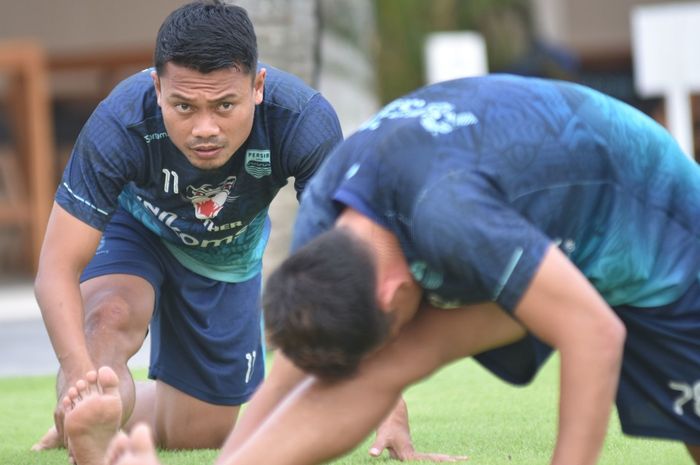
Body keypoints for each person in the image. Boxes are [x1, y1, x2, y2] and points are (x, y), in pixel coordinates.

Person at [104, 73, 700, 465]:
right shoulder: (325, 221)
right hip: (520, 218)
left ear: (391, 292)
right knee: (385, 360)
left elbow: (596, 332)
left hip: (654, 223)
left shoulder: (453, 219)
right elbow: (298, 369)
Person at [30, 1, 350, 463]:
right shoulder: (120, 121)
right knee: (110, 315)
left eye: (225, 105)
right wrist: (80, 383)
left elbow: (346, 259)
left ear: (257, 86)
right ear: (157, 87)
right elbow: (55, 267)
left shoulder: (301, 120)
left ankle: (114, 410)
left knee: (199, 432)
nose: (205, 128)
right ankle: (93, 417)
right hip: (136, 226)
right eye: (183, 105)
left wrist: (388, 400)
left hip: (228, 252)